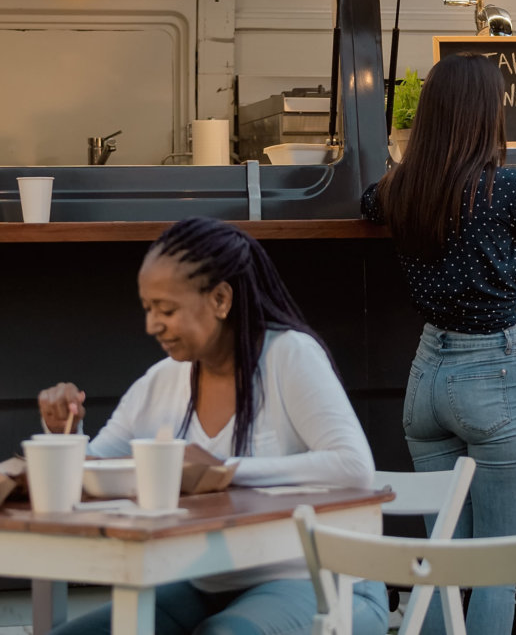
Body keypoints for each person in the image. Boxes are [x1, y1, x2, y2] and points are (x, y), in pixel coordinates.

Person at [37, 217, 386, 635]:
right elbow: (97, 464)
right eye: (148, 308)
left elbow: (354, 466)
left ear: (221, 299)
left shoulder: (289, 356)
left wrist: (223, 470)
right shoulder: (162, 381)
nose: (152, 325)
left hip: (322, 579)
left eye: (167, 309)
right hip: (209, 580)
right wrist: (65, 435)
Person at [361, 52, 516, 635]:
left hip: (426, 374)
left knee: (441, 566)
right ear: (489, 115)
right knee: (496, 567)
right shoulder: (511, 189)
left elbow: (367, 204)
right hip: (493, 376)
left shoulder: (399, 189)